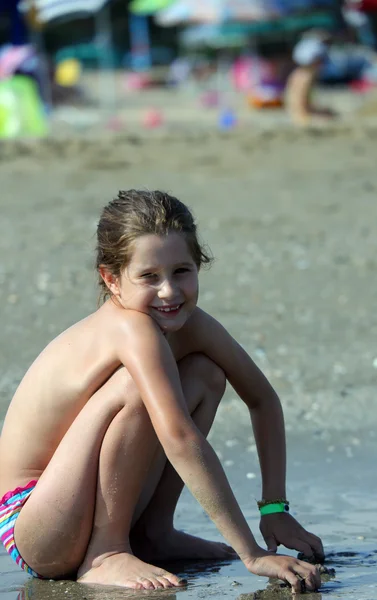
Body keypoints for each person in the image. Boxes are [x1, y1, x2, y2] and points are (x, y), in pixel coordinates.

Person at [0, 190, 324, 593]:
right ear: (112, 279)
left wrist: (275, 508)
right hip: (35, 523)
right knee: (138, 386)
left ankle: (154, 531)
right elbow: (179, 438)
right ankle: (105, 551)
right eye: (149, 277)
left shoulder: (195, 326)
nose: (169, 292)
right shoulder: (130, 328)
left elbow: (263, 399)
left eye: (181, 272)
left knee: (205, 374)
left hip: (83, 505)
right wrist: (252, 554)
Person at [285, 30, 337, 126]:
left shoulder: (298, 73)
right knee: (330, 116)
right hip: (301, 118)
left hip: (297, 114)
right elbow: (300, 106)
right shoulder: (307, 76)